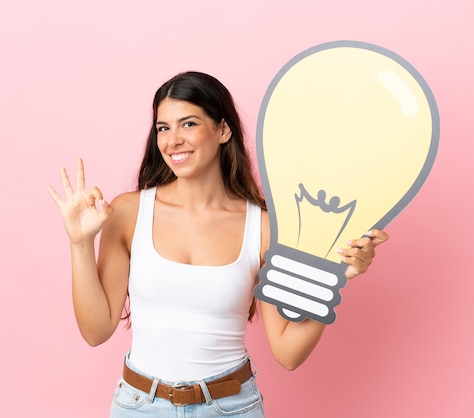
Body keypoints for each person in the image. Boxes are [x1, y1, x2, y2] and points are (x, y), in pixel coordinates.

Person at [48, 71, 388, 417]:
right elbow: (96, 330)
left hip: (231, 407)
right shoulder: (127, 212)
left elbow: (287, 351)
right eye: (163, 128)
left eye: (189, 124)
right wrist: (80, 243)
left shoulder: (263, 227)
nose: (172, 140)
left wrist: (333, 278)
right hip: (139, 407)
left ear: (223, 130)